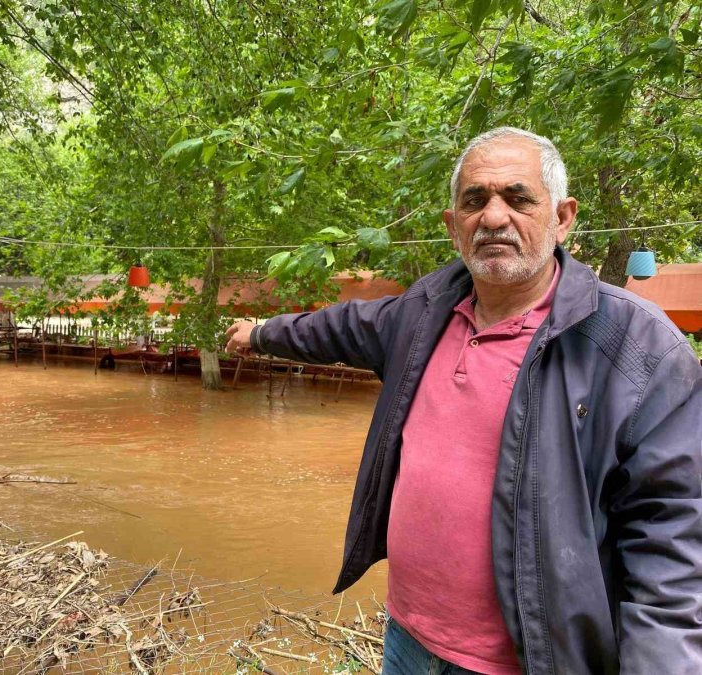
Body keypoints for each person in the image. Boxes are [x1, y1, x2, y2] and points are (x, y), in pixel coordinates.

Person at [226, 127, 702, 675]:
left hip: (529, 662)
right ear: (454, 227)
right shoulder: (422, 312)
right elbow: (336, 328)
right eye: (475, 201)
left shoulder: (635, 347)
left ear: (563, 218)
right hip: (407, 638)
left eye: (518, 198)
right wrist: (261, 332)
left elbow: (672, 542)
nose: (494, 218)